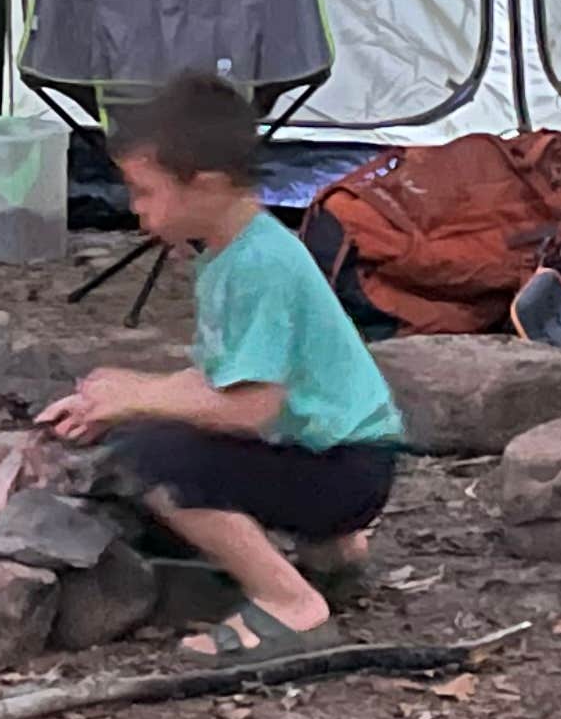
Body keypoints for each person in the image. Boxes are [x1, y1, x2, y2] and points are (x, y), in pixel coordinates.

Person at [37, 72, 404, 658]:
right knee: (150, 430)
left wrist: (135, 400)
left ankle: (293, 605)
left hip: (343, 469)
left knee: (159, 461)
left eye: (145, 191)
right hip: (340, 461)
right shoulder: (236, 253)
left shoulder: (260, 265)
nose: (135, 210)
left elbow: (252, 408)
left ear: (204, 185)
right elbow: (221, 378)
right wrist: (117, 395)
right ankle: (332, 554)